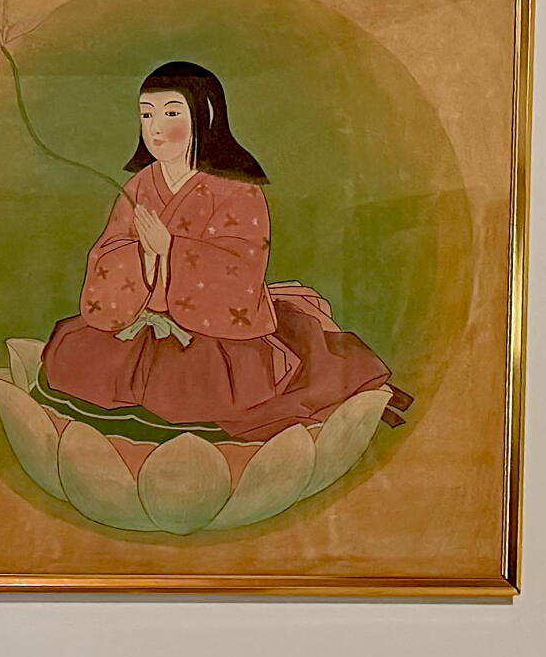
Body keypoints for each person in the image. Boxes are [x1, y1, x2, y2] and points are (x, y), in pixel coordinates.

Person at [40, 61, 400, 442]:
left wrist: (172, 249)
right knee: (72, 357)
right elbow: (108, 251)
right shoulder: (140, 186)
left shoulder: (238, 189)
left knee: (193, 388)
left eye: (171, 113)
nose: (156, 128)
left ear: (205, 116)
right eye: (146, 115)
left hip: (215, 332)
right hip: (141, 320)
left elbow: (243, 265)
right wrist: (143, 258)